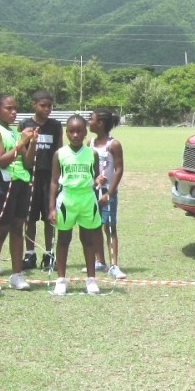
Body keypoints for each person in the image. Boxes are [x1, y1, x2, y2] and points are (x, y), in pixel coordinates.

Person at [0, 92, 38, 294]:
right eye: (8, 108)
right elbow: (2, 160)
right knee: (1, 229)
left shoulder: (12, 132)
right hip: (4, 184)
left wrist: (32, 142)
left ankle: (16, 274)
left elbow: (27, 163)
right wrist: (21, 142)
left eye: (15, 108)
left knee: (18, 228)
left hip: (21, 182)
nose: (14, 112)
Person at [48, 114, 105, 295]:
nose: (75, 135)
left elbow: (95, 178)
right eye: (71, 131)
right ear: (66, 133)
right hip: (67, 199)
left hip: (87, 198)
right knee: (64, 240)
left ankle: (91, 280)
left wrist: (99, 180)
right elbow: (54, 182)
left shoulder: (92, 153)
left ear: (85, 132)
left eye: (79, 131)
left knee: (88, 240)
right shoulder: (60, 154)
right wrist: (51, 208)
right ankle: (61, 279)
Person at [18, 90, 62, 271]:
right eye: (43, 105)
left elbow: (59, 151)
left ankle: (49, 254)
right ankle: (29, 254)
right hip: (30, 176)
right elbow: (20, 149)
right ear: (34, 104)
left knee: (49, 217)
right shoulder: (24, 124)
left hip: (49, 177)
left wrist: (59, 177)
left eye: (50, 105)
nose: (47, 109)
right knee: (29, 218)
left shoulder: (55, 126)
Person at [88, 108, 126, 280]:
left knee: (109, 227)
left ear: (100, 124)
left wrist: (109, 193)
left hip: (108, 191)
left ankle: (114, 265)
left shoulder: (114, 144)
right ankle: (100, 261)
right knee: (94, 225)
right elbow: (90, 168)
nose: (89, 122)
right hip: (92, 191)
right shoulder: (90, 143)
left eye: (91, 119)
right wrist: (95, 179)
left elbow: (118, 170)